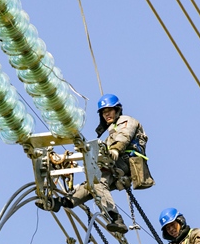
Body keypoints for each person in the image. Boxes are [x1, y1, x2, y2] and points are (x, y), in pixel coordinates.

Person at [38, 93, 148, 235]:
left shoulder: (126, 121)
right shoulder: (111, 132)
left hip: (126, 161)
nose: (106, 115)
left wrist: (115, 149)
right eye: (104, 113)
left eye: (109, 111)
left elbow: (124, 137)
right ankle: (64, 202)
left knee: (96, 182)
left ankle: (116, 218)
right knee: (92, 183)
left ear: (118, 110)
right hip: (115, 167)